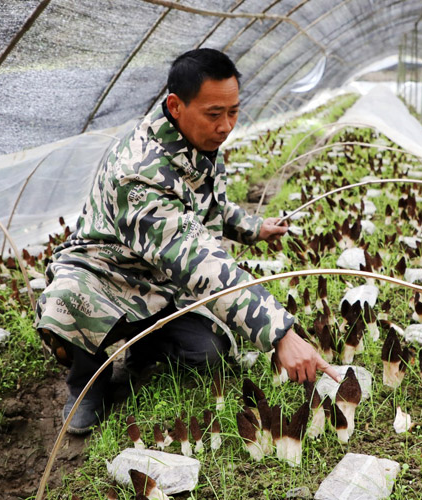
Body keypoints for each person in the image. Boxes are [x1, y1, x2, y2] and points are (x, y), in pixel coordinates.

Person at [35, 48, 339, 434]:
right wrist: (280, 333)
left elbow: (210, 208)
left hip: (160, 285)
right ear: (176, 106)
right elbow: (196, 257)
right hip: (105, 277)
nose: (227, 125)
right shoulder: (139, 171)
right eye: (215, 113)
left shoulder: (200, 148)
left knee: (210, 353)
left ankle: (142, 348)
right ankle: (88, 381)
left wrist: (253, 228)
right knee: (65, 304)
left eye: (233, 111)